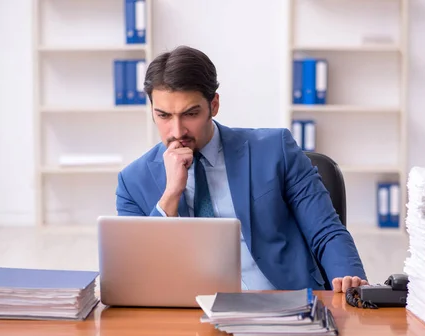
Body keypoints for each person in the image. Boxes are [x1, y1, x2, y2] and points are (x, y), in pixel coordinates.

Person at [115, 45, 368, 293]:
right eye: (164, 116)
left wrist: (352, 285)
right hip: (187, 318)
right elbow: (139, 274)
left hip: (281, 309)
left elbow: (326, 231)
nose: (177, 131)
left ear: (213, 105)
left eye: (190, 114)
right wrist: (171, 195)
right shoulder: (133, 182)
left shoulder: (275, 150)